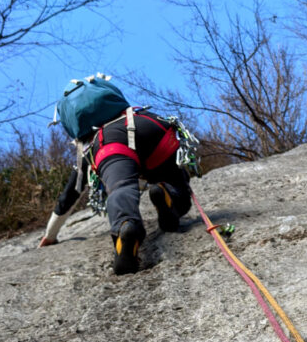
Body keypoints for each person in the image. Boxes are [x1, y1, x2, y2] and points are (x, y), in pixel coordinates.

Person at [39, 105, 192, 275]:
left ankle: (125, 227)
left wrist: (50, 234)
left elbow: (69, 195)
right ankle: (169, 194)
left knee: (121, 187)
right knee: (175, 182)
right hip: (149, 126)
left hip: (110, 144)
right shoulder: (126, 112)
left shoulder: (89, 144)